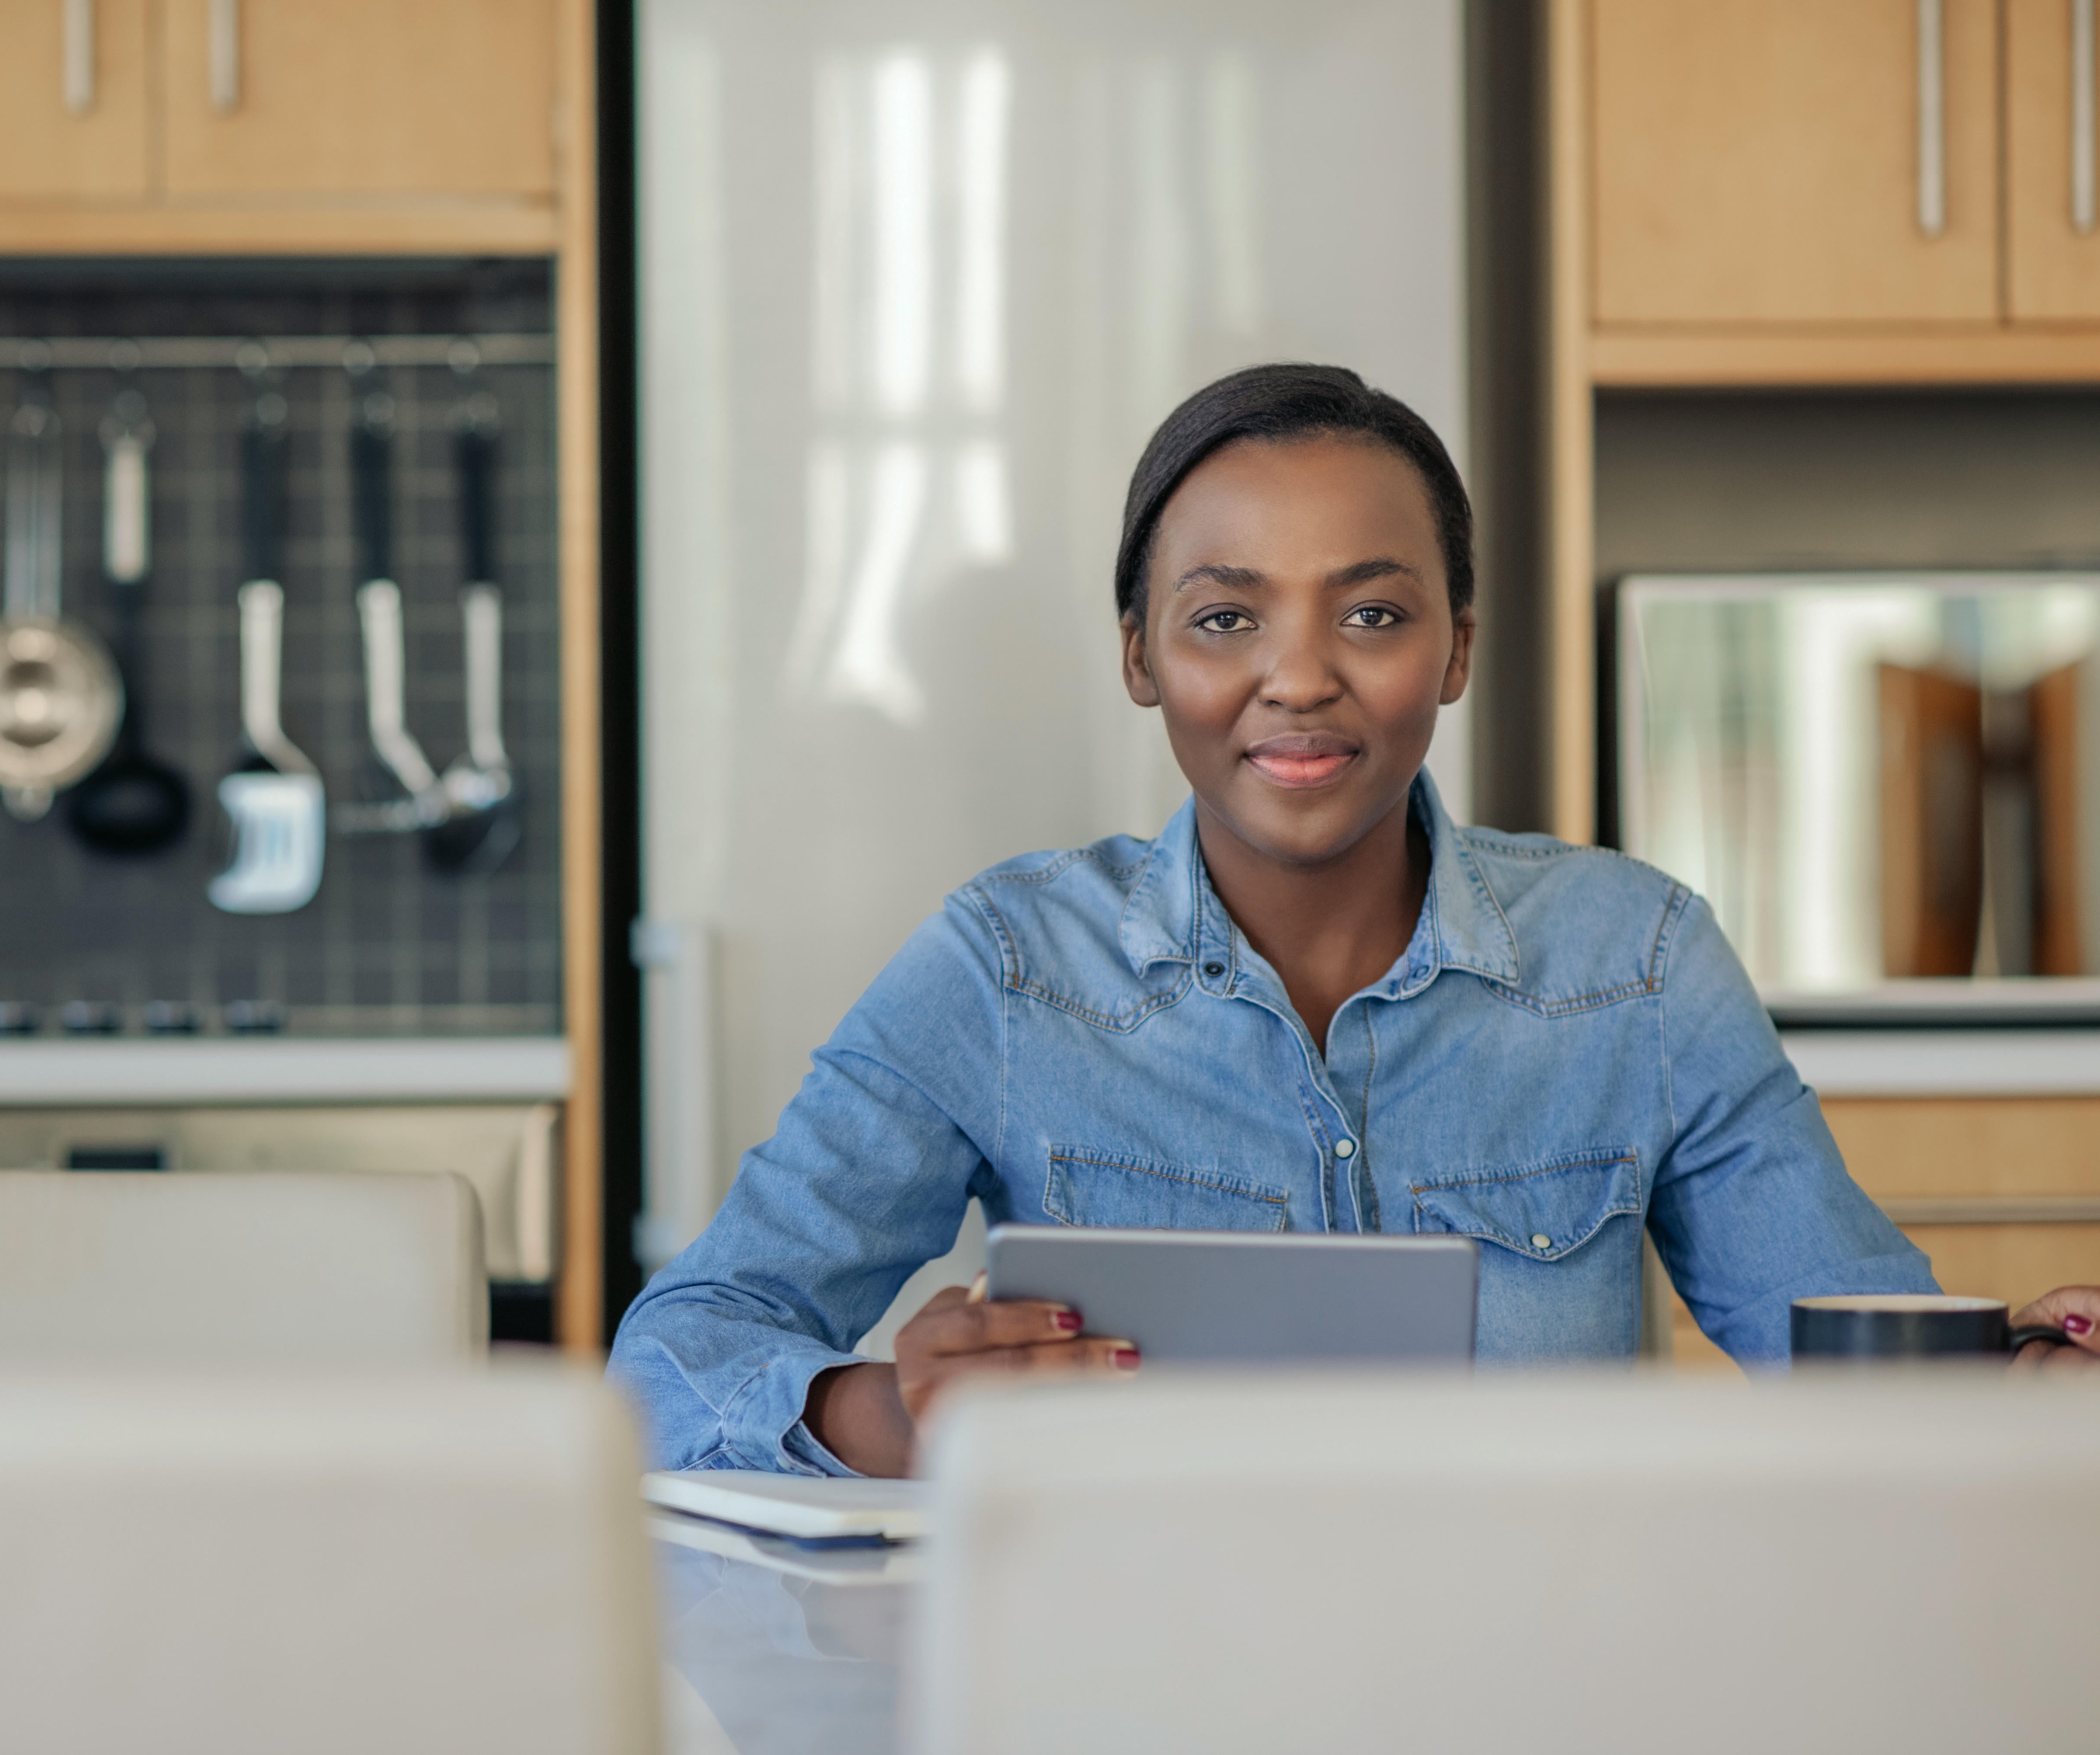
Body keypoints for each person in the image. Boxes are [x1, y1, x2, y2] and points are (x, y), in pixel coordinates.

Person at [608, 363, 2100, 1479]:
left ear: (1458, 644)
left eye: (1374, 614)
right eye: (1224, 615)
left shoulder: (1637, 964)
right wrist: (880, 1413)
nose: (1301, 676)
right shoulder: (1005, 970)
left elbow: (1880, 1374)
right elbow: (673, 1359)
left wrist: (2040, 1370)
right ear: (1140, 653)